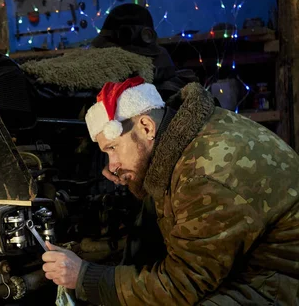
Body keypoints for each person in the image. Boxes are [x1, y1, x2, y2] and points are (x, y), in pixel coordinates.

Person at [42, 76, 299, 305]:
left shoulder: (204, 173)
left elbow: (180, 287)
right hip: (259, 265)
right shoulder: (189, 135)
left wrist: (85, 277)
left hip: (280, 281)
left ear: (146, 127)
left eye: (113, 148)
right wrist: (135, 178)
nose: (112, 166)